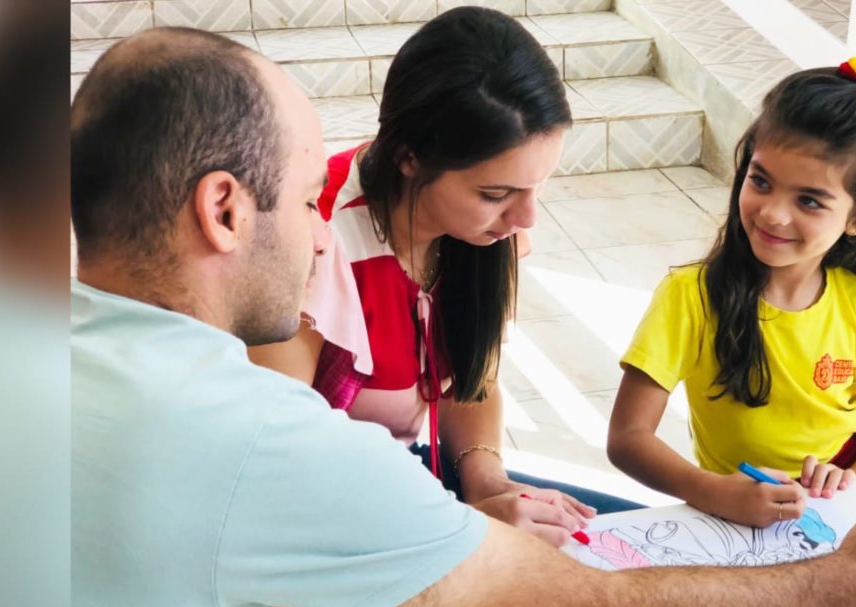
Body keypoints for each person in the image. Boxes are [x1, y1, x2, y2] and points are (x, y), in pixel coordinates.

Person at [71, 28, 856, 607]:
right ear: (225, 209)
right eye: (309, 198)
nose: (317, 233)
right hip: (372, 507)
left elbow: (467, 385)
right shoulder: (265, 430)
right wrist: (843, 585)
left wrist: (487, 482)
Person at [246, 6, 638, 551]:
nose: (526, 220)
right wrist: (457, 526)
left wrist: (487, 483)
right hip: (333, 517)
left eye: (538, 188)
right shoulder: (316, 241)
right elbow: (272, 469)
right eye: (496, 194)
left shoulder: (484, 233)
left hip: (422, 482)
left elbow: (470, 377)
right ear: (410, 157)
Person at [607, 54, 856, 529]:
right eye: (760, 181)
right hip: (730, 521)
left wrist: (844, 483)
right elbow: (628, 438)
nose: (773, 213)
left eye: (809, 200)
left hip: (832, 519)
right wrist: (712, 491)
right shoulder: (689, 296)